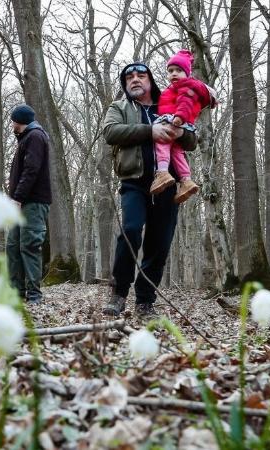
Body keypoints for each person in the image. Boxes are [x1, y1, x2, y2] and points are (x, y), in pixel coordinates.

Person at [101, 62, 199, 318]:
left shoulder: (170, 102)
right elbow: (110, 132)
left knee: (160, 243)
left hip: (169, 185)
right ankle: (119, 294)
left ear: (150, 80)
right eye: (129, 77)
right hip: (134, 181)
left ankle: (145, 301)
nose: (135, 80)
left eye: (140, 76)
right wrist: (150, 130)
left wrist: (179, 131)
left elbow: (192, 141)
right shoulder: (119, 107)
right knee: (131, 230)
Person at [150, 49, 216, 203]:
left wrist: (179, 117)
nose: (174, 74)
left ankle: (162, 173)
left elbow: (186, 102)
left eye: (178, 71)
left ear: (187, 73)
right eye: (170, 71)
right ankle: (186, 180)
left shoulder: (187, 86)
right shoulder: (176, 87)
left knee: (162, 142)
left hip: (175, 120)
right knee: (177, 152)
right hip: (180, 123)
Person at [6, 104, 52, 303]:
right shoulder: (26, 138)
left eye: (13, 121)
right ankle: (16, 291)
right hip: (21, 203)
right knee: (13, 246)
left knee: (30, 246)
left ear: (20, 121)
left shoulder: (35, 137)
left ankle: (34, 294)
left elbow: (31, 170)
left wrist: (18, 197)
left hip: (32, 203)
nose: (12, 124)